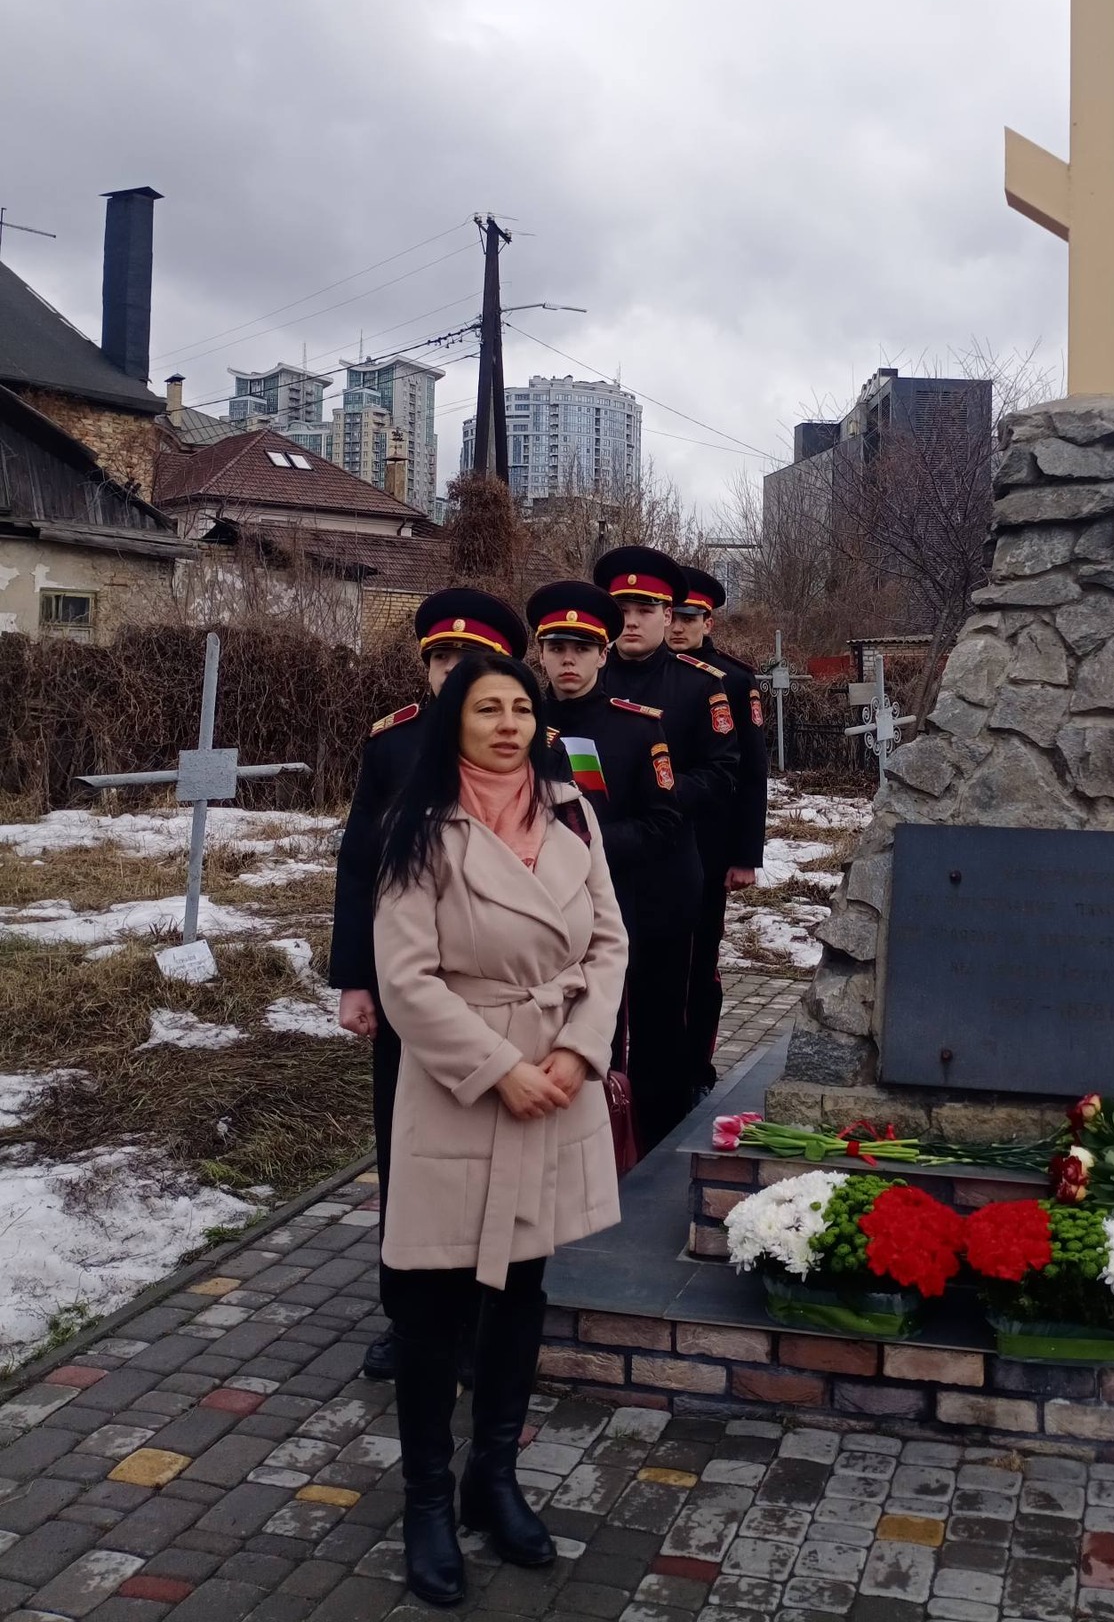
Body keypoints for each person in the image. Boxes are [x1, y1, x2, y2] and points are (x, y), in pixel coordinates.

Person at [373, 652, 627, 1606]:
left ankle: (494, 1478)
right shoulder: (419, 823)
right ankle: (427, 1503)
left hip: (557, 1076)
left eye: (522, 707)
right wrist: (499, 1069)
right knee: (433, 1308)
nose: (509, 724)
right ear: (457, 720)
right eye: (489, 709)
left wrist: (578, 1052)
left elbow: (610, 941)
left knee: (523, 1289)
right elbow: (405, 980)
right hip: (462, 1084)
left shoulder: (572, 812)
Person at [330, 587, 529, 1383]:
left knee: (493, 1156)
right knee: (407, 1153)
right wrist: (355, 981)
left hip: (501, 994)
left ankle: (487, 1319)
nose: (451, 670)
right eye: (440, 657)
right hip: (410, 992)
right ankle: (411, 1319)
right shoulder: (393, 745)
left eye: (469, 658)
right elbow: (359, 868)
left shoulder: (533, 746)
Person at [526, 579, 698, 1149]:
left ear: (603, 655)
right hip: (535, 910)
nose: (567, 660)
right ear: (540, 653)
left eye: (581, 648)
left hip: (619, 902)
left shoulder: (635, 726)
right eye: (556, 647)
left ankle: (636, 1142)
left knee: (627, 1029)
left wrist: (584, 849)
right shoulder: (518, 723)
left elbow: (663, 821)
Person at [591, 545, 739, 1126]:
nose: (631, 621)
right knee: (593, 1010)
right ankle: (596, 1129)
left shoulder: (698, 686)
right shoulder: (582, 680)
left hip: (665, 873)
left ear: (667, 615)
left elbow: (723, 771)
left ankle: (659, 1133)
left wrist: (660, 799)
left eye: (645, 609)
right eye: (621, 609)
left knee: (660, 1012)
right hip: (590, 873)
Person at [667, 567, 769, 1096]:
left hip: (707, 847)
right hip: (651, 844)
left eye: (689, 618)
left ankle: (695, 1071)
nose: (677, 627)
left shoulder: (731, 679)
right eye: (672, 616)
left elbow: (751, 772)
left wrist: (745, 854)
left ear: (708, 621)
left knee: (698, 964)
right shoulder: (640, 674)